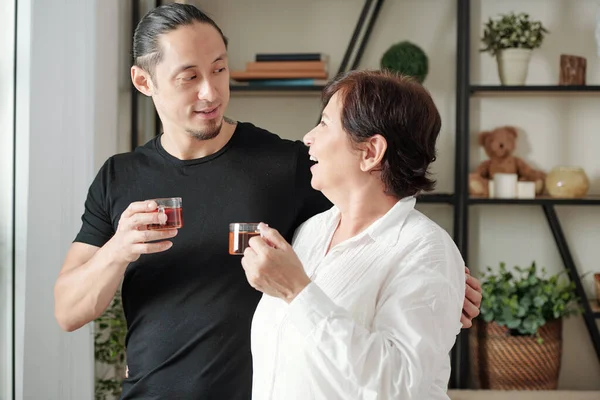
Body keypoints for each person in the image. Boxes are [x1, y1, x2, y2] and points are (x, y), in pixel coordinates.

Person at [52, 3, 482, 399]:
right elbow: (68, 311)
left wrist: (448, 288)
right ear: (144, 81)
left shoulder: (286, 164)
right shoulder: (119, 176)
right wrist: (118, 251)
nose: (211, 92)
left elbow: (376, 219)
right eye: (190, 77)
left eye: (219, 69)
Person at [242, 70, 466, 399]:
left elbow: (402, 386)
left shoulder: (426, 251)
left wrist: (298, 292)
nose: (307, 137)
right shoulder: (312, 231)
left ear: (370, 152)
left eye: (325, 123)